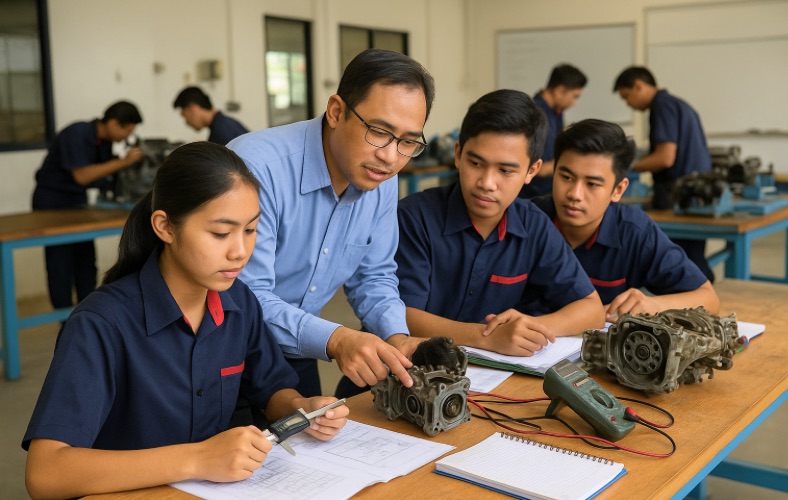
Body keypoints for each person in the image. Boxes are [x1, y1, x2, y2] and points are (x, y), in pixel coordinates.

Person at [22, 142, 349, 499]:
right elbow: (46, 473)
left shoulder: (239, 303)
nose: (240, 251)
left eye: (251, 230)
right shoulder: (101, 325)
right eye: (221, 233)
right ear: (165, 227)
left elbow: (271, 390)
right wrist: (198, 459)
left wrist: (301, 410)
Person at [228, 49, 434, 398]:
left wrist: (396, 337)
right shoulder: (256, 167)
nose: (390, 156)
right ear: (336, 111)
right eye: (379, 132)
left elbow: (375, 277)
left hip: (296, 348)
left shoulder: (380, 177)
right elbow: (245, 296)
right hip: (221, 352)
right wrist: (337, 338)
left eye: (408, 142)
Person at [395, 89, 605, 357]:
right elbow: (402, 318)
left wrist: (528, 329)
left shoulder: (533, 225)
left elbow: (591, 308)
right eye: (476, 163)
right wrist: (487, 337)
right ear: (458, 154)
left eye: (505, 170)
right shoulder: (414, 218)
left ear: (532, 171)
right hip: (400, 377)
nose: (486, 183)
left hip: (483, 381)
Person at [532, 119, 719, 321]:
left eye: (592, 184)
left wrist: (653, 304)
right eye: (566, 177)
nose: (575, 194)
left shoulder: (635, 232)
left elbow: (709, 299)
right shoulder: (527, 222)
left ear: (618, 190)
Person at [32, 100, 144, 310]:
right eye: (126, 129)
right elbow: (82, 176)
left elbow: (103, 176)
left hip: (76, 201)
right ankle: (63, 318)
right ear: (112, 122)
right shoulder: (77, 134)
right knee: (60, 263)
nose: (126, 136)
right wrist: (124, 162)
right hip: (52, 202)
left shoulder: (104, 143)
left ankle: (87, 311)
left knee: (85, 260)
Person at [613, 66, 715, 283]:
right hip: (696, 193)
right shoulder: (678, 104)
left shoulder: (661, 106)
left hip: (677, 194)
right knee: (694, 256)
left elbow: (664, 158)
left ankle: (695, 299)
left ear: (639, 86)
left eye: (626, 96)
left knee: (677, 260)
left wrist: (625, 167)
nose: (628, 104)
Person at [519, 64, 587, 199]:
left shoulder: (556, 111)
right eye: (575, 96)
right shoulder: (535, 114)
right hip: (533, 194)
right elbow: (540, 169)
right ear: (560, 90)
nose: (574, 103)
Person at [173, 86, 248, 145]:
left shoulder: (221, 132)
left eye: (184, 116)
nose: (186, 122)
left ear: (194, 108)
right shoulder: (226, 124)